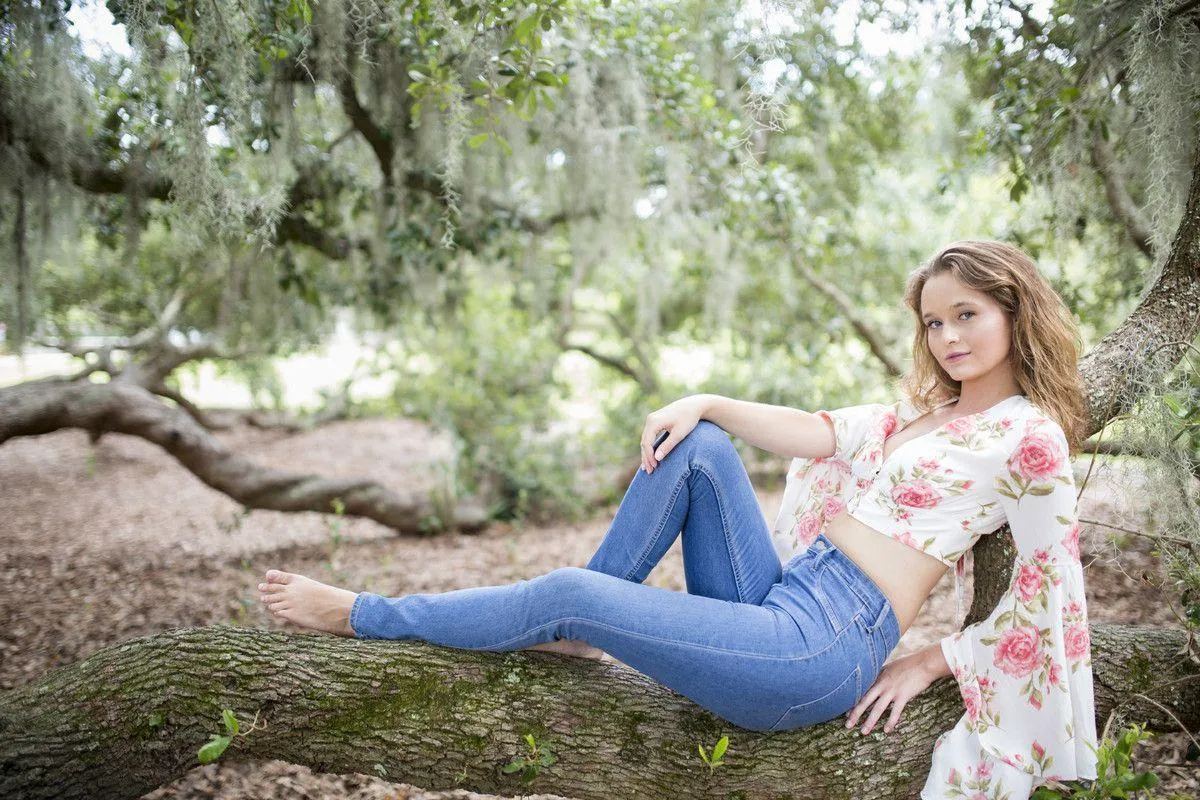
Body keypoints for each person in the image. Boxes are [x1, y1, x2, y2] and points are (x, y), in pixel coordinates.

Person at [258, 239, 1098, 799]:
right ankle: (584, 616)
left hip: (824, 648)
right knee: (700, 448)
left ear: (1015, 313)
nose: (949, 336)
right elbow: (813, 431)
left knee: (565, 588)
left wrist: (937, 659)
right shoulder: (922, 414)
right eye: (934, 321)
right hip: (783, 596)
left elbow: (1051, 583)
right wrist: (703, 400)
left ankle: (364, 614)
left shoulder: (1026, 436)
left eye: (968, 316)